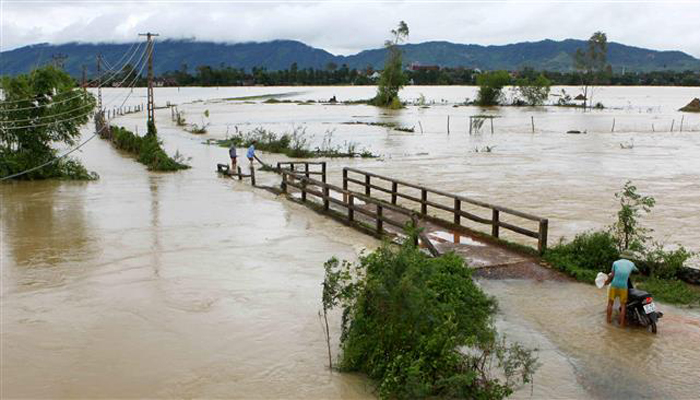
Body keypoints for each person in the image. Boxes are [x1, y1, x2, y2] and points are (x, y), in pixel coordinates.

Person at [605, 249, 639, 327]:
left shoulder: (615, 263)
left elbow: (612, 275)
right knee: (623, 305)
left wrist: (606, 282)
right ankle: (621, 324)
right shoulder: (631, 264)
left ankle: (608, 321)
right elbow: (637, 271)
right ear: (630, 257)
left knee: (610, 303)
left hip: (614, 285)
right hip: (623, 286)